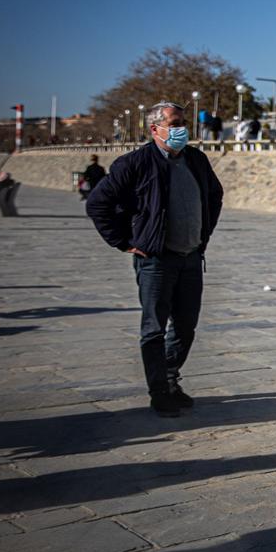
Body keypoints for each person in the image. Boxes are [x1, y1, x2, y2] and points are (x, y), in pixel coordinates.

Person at [86, 102, 224, 417]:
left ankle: (171, 376)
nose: (181, 130)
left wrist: (203, 233)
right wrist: (124, 242)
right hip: (156, 261)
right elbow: (98, 203)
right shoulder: (134, 163)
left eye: (183, 123)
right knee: (154, 328)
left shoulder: (196, 160)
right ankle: (159, 390)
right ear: (155, 129)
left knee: (186, 326)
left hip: (191, 258)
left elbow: (214, 195)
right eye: (174, 124)